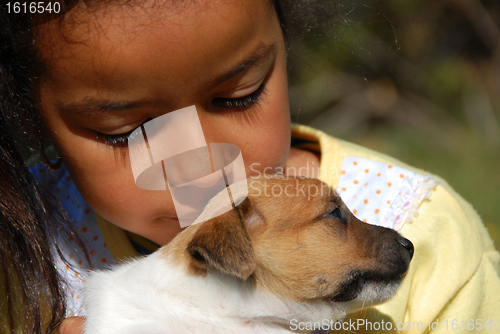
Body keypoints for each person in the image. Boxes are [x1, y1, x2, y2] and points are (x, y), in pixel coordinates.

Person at [0, 1, 498, 334]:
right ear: (35, 119)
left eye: (237, 96)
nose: (198, 167)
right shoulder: (23, 249)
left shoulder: (433, 238)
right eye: (124, 130)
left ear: (285, 47)